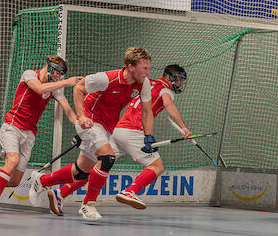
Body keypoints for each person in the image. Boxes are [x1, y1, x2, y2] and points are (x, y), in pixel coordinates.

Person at [39, 64, 191, 214]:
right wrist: (184, 127)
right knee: (157, 166)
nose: (180, 83)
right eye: (179, 80)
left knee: (98, 166)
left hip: (119, 130)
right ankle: (130, 191)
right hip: (133, 131)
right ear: (169, 77)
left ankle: (61, 192)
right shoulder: (166, 89)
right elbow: (169, 106)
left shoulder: (147, 82)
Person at [30, 47, 154, 221]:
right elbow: (79, 88)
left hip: (107, 127)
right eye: (144, 68)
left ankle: (42, 182)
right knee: (108, 158)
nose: (147, 72)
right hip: (90, 120)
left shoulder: (144, 83)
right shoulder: (107, 78)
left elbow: (147, 111)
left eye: (148, 68)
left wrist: (148, 135)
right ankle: (89, 204)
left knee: (82, 171)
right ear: (130, 66)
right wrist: (81, 116)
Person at [0, 55, 81, 215]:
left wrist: (80, 126)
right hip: (12, 126)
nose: (59, 77)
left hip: (29, 133)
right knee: (12, 160)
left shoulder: (55, 87)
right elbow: (39, 89)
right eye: (58, 73)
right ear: (50, 67)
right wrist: (67, 82)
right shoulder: (30, 74)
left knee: (14, 181)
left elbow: (68, 110)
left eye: (62, 75)